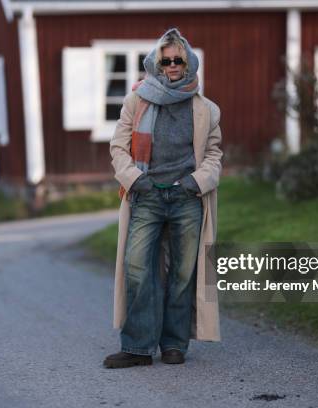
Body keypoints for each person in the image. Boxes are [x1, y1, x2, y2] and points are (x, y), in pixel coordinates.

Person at [104, 27, 223, 369]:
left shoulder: (206, 110)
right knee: (137, 267)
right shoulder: (136, 100)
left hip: (186, 197)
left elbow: (214, 154)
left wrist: (195, 183)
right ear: (156, 64)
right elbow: (118, 147)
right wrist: (135, 180)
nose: (172, 66)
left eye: (178, 60)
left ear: (189, 64)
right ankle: (138, 347)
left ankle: (174, 344)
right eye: (166, 60)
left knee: (183, 273)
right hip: (147, 196)